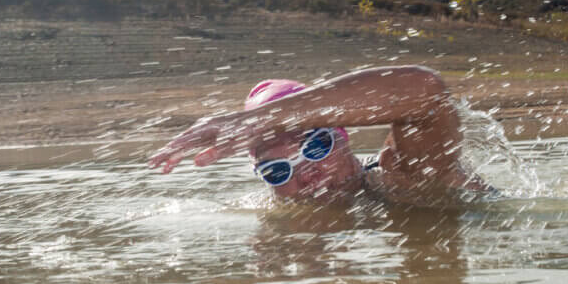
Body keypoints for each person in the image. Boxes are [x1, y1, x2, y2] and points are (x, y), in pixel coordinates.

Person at [148, 65, 488, 203]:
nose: (307, 173)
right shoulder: (284, 224)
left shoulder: (401, 172)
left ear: (344, 137)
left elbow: (426, 93)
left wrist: (263, 120)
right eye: (278, 171)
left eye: (316, 146)